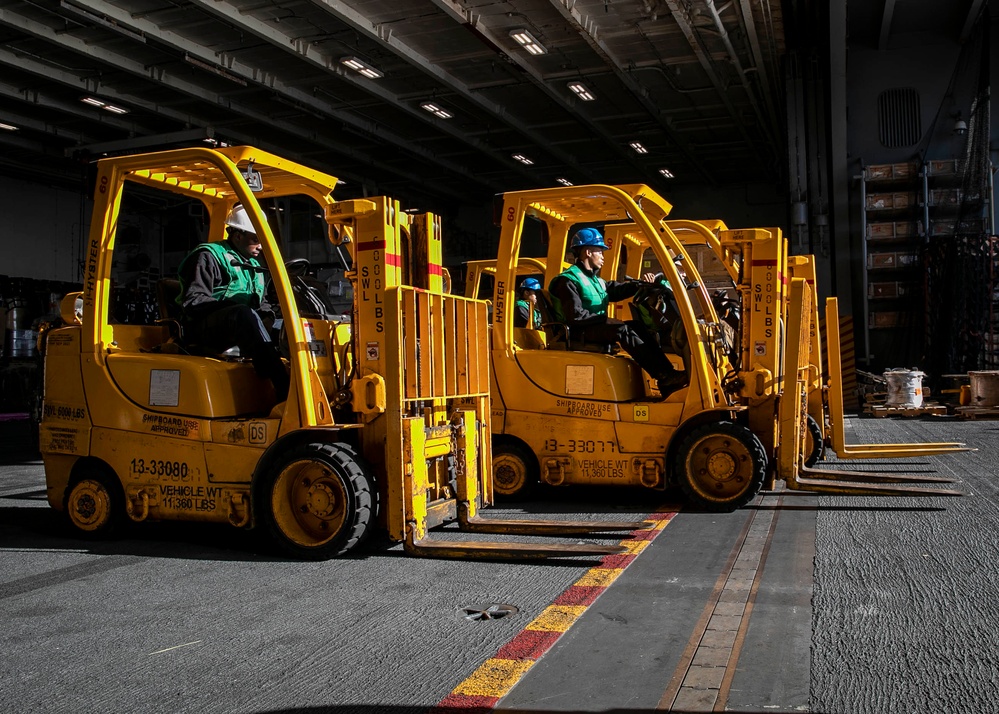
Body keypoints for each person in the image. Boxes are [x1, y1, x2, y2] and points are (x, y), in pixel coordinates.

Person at [548, 227, 686, 396]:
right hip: (577, 330)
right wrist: (607, 320)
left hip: (591, 326)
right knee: (622, 330)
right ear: (588, 252)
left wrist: (640, 285)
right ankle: (663, 376)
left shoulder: (595, 280)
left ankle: (668, 373)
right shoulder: (568, 280)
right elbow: (576, 316)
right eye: (600, 252)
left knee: (636, 326)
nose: (603, 257)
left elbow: (616, 290)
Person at [176, 204, 290, 401]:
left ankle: (301, 379)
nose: (260, 246)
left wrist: (271, 319)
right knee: (244, 314)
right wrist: (237, 309)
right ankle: (283, 387)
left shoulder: (253, 266)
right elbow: (194, 301)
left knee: (289, 327)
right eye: (256, 239)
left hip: (239, 325)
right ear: (238, 235)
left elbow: (261, 303)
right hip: (203, 327)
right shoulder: (208, 256)